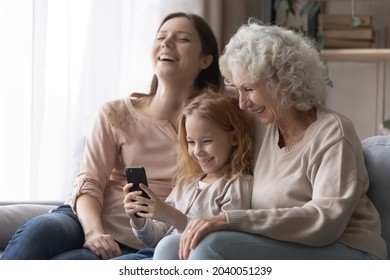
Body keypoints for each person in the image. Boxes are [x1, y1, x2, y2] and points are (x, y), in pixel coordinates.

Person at [153, 19, 388, 260]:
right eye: (238, 90)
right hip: (282, 243)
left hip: (347, 250)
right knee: (170, 247)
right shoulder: (263, 126)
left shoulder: (333, 132)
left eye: (249, 89)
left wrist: (230, 220)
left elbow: (326, 221)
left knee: (209, 246)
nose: (242, 103)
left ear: (283, 81)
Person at [0, 12, 222, 260]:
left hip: (150, 238)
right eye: (161, 37)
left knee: (69, 264)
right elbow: (90, 181)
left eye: (182, 39)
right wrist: (94, 233)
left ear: (205, 60)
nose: (166, 43)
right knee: (39, 231)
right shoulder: (116, 114)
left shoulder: (218, 124)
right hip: (86, 220)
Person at [118, 90, 255, 260]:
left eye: (207, 141)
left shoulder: (237, 185)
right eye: (191, 142)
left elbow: (221, 243)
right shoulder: (187, 184)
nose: (198, 151)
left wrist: (172, 215)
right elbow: (155, 239)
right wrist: (139, 220)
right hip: (156, 254)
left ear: (234, 138)